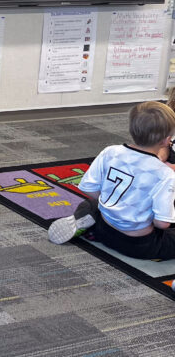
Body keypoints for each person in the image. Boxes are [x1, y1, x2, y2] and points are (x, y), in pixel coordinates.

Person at [49, 101, 175, 259]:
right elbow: (162, 224)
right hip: (140, 245)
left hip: (105, 229)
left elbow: (86, 187)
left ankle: (86, 221)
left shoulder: (110, 152)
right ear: (166, 140)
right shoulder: (165, 174)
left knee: (90, 205)